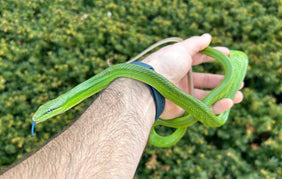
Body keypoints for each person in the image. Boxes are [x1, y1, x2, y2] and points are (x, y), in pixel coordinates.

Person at [1, 34, 243, 178]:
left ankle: (236, 64)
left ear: (58, 105)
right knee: (210, 110)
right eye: (48, 112)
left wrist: (148, 90)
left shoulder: (76, 95)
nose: (45, 115)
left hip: (151, 81)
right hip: (151, 86)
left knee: (223, 93)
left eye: (49, 110)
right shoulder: (72, 97)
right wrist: (149, 98)